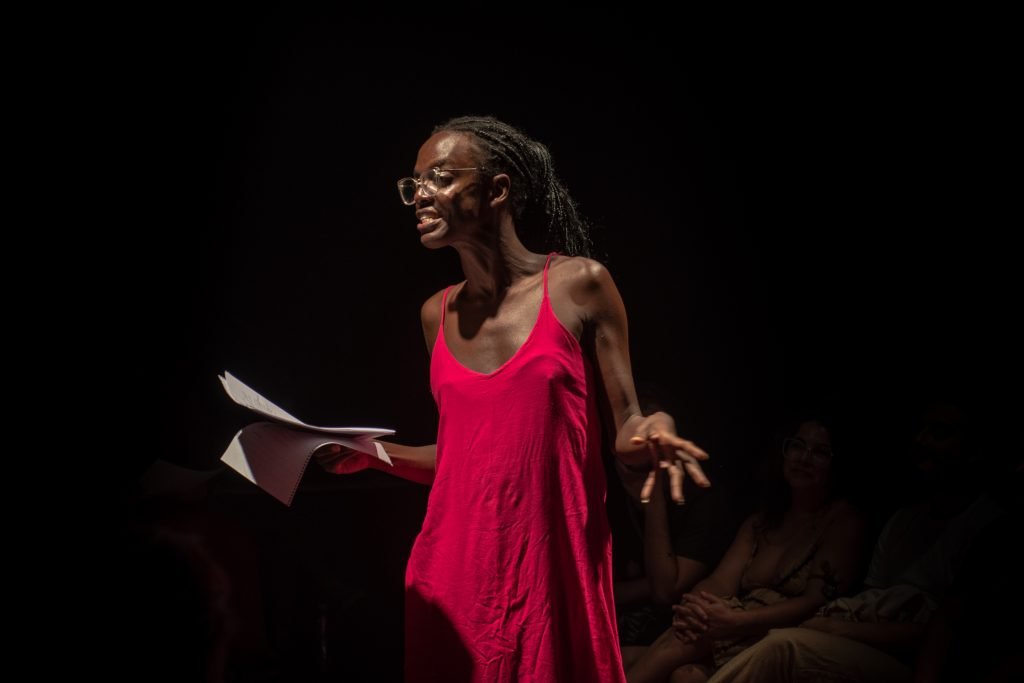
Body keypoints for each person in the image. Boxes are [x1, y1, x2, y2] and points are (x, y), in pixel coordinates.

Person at [316, 116, 710, 682]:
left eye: (440, 178)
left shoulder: (581, 284)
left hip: (546, 572)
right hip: (452, 574)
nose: (420, 195)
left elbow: (627, 423)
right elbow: (466, 456)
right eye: (414, 183)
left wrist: (657, 427)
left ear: (497, 189)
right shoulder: (436, 314)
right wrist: (371, 453)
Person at [624, 416, 865, 683]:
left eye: (820, 452)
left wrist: (734, 621)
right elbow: (720, 581)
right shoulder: (761, 522)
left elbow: (814, 602)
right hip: (730, 629)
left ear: (836, 463)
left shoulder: (842, 521)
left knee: (680, 666)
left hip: (776, 633)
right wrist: (696, 607)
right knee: (638, 660)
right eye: (798, 446)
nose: (804, 459)